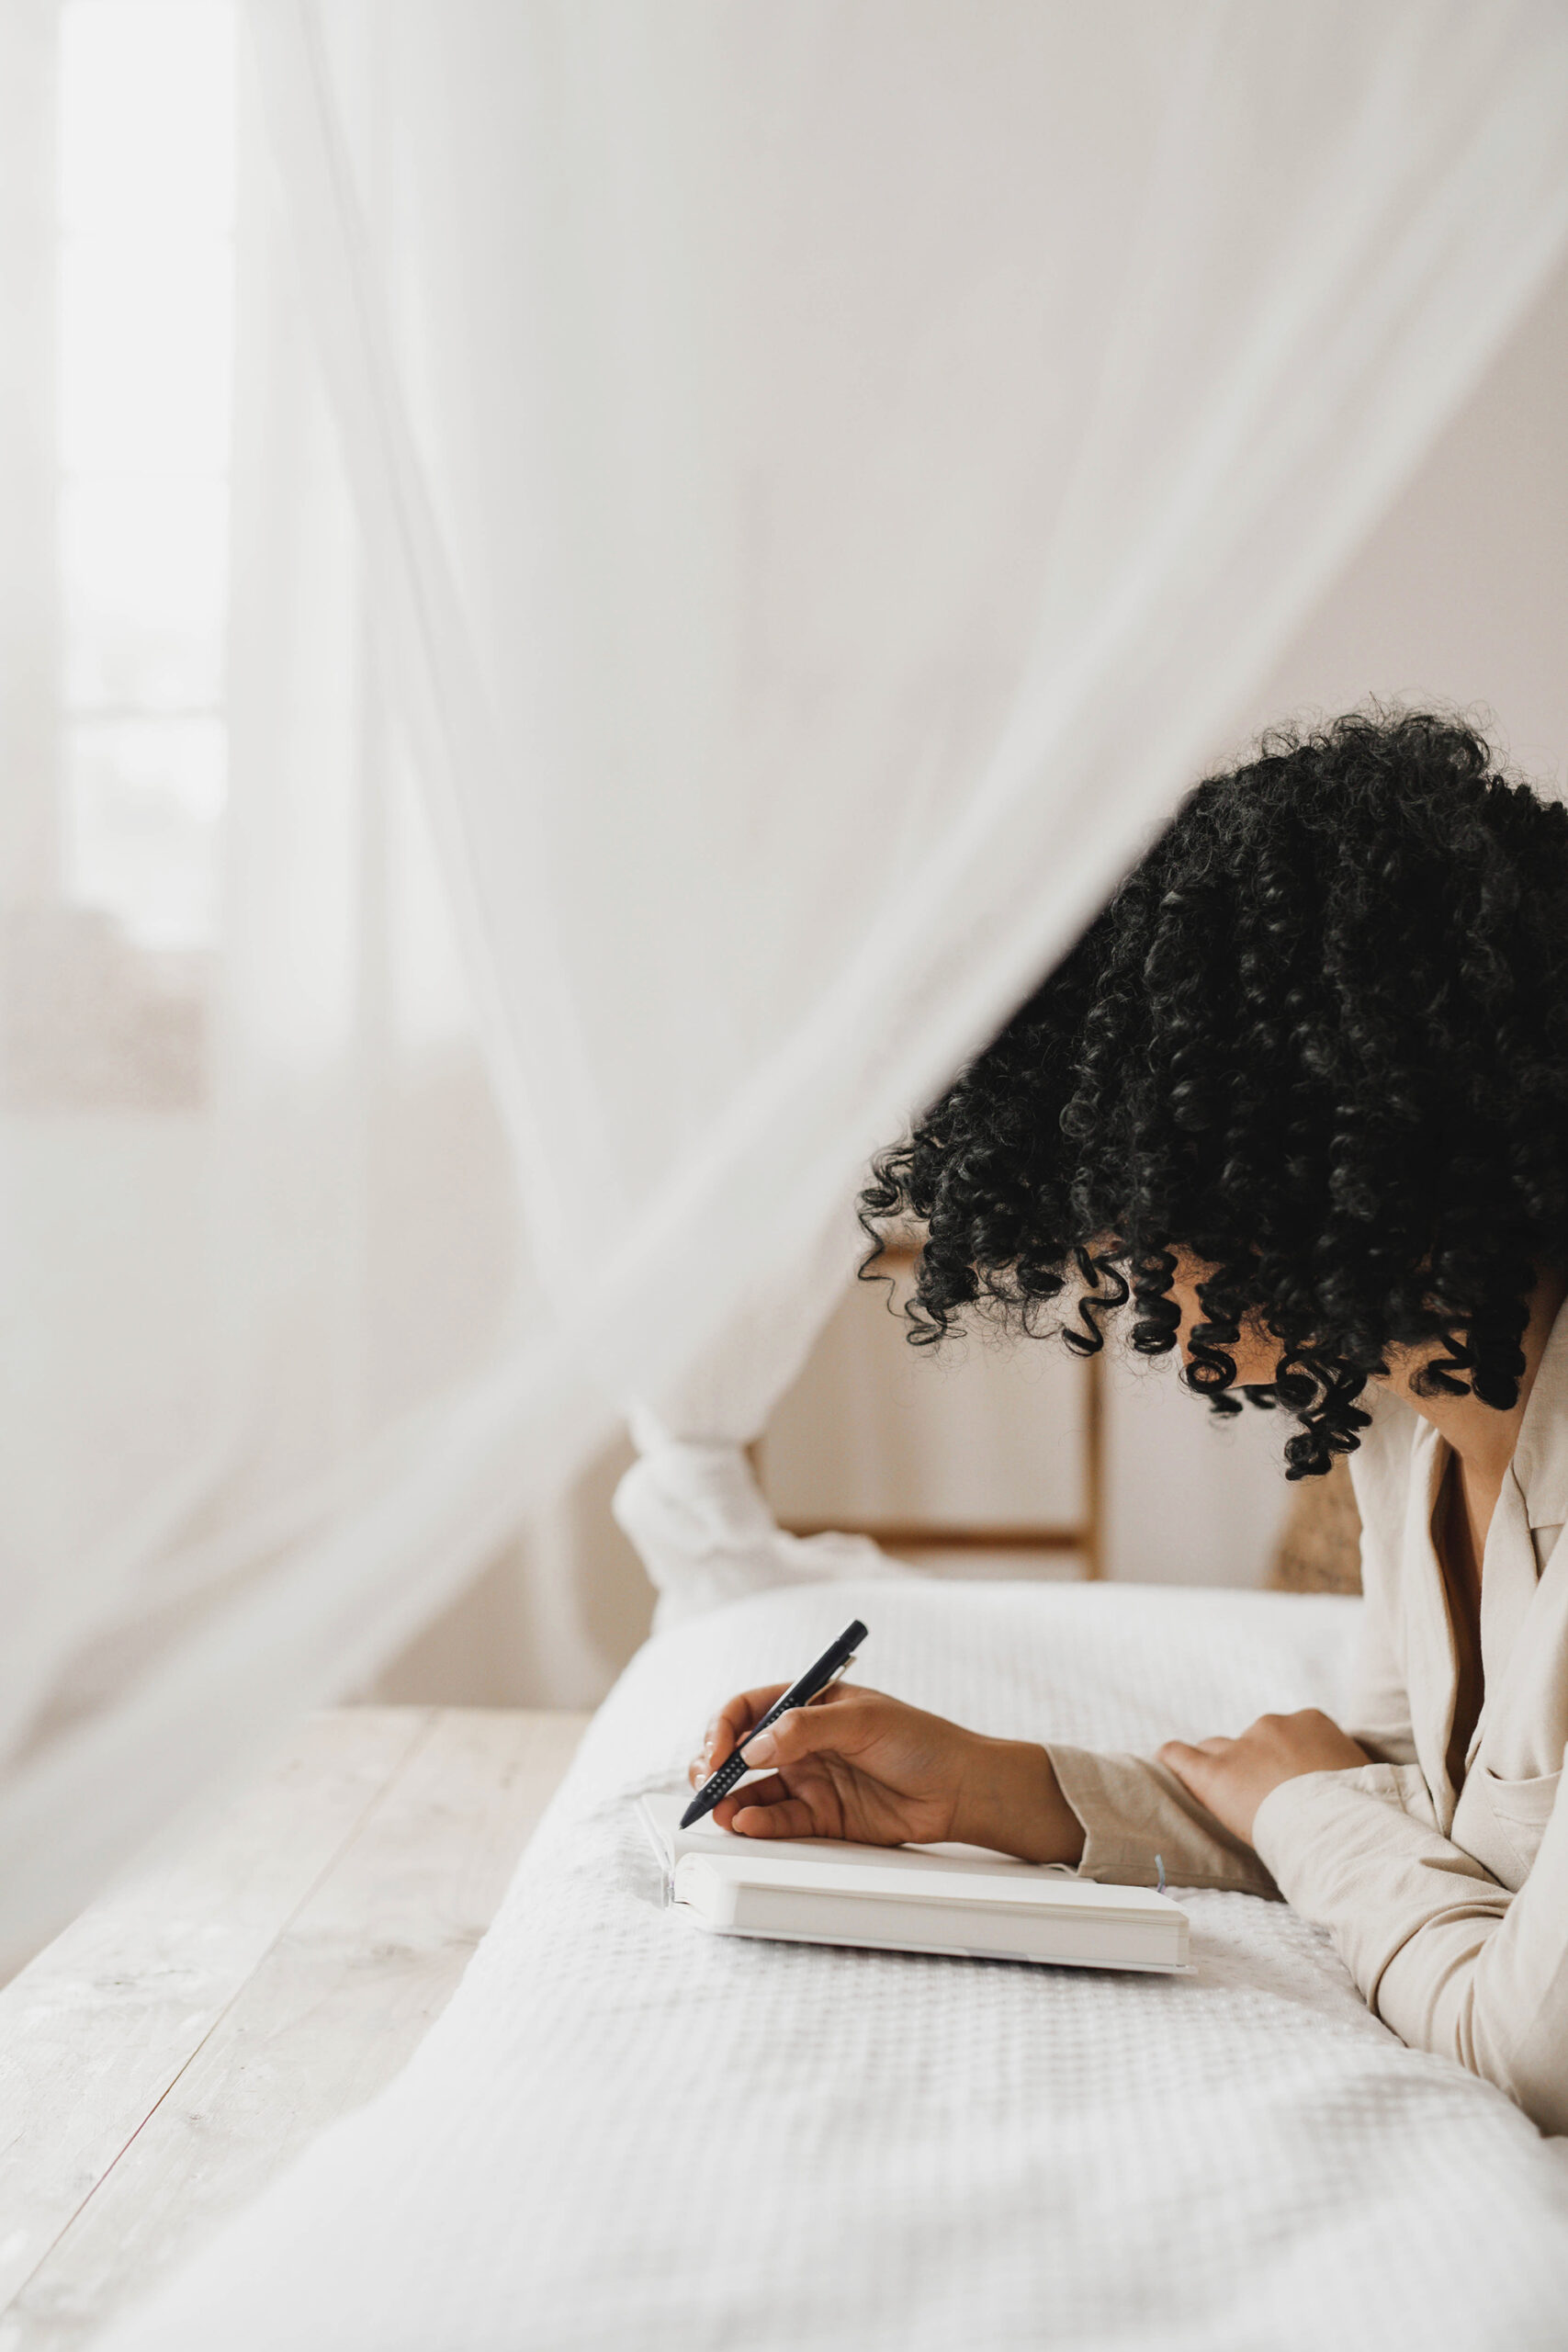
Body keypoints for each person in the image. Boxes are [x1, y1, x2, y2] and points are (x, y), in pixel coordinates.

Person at [690, 711, 1568, 2132]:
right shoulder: (1413, 1430)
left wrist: (1304, 1805)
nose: (1124, 1262)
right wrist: (984, 1791)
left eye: (1137, 1192)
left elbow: (1536, 2045)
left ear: (1319, 1147)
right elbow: (1395, 1820)